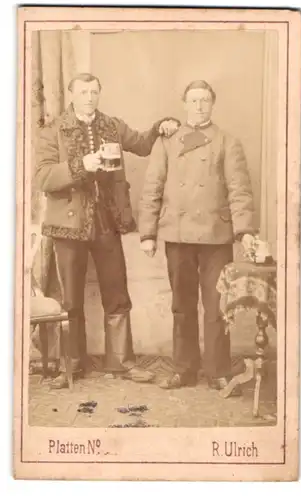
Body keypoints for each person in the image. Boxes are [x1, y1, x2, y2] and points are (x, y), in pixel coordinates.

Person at [35, 72, 180, 389]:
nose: (89, 97)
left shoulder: (111, 125)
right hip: (68, 224)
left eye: (94, 92)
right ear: (72, 95)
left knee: (117, 293)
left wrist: (160, 127)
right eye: (83, 92)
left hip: (106, 221)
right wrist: (80, 166)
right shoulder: (53, 131)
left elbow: (141, 144)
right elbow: (43, 178)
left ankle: (122, 363)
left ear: (99, 94)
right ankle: (71, 366)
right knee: (70, 299)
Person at [139, 79, 257, 393]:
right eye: (193, 100)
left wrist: (245, 231)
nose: (199, 106)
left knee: (218, 306)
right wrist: (148, 233)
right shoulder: (167, 142)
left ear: (212, 104)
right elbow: (152, 187)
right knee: (182, 305)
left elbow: (240, 191)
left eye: (205, 100)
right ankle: (184, 369)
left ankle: (218, 370)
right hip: (177, 234)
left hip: (216, 237)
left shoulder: (227, 142)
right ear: (184, 104)